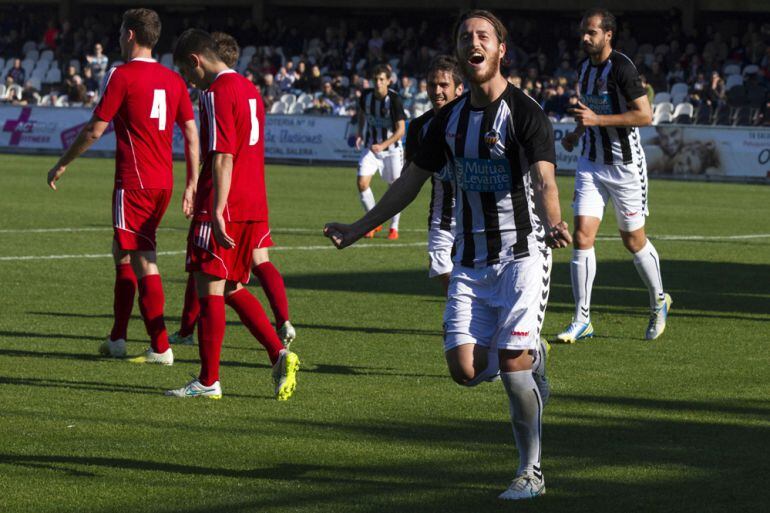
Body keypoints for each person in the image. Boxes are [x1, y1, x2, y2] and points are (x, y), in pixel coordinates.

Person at [325, 10, 571, 500]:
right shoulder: (447, 123)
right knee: (463, 370)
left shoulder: (524, 112)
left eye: (483, 36)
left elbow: (544, 178)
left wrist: (552, 219)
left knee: (513, 367)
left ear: (501, 49)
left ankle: (531, 472)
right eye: (465, 37)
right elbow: (406, 187)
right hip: (471, 261)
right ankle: (532, 351)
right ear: (460, 54)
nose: (472, 42)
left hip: (524, 254)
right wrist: (356, 229)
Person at [46, 8, 199, 364]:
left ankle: (160, 347)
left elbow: (95, 129)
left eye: (119, 33)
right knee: (123, 251)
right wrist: (191, 182)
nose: (117, 38)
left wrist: (62, 163)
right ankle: (117, 337)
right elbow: (191, 133)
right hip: (162, 181)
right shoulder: (174, 80)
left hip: (135, 182)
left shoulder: (122, 75)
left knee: (144, 259)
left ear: (130, 35)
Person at [167, 28, 300, 400]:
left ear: (195, 61)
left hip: (224, 202)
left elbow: (223, 155)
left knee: (208, 286)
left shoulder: (215, 93)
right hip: (253, 200)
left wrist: (217, 208)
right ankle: (279, 353)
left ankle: (208, 380)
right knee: (231, 286)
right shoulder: (250, 90)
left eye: (185, 72)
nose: (188, 81)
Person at [559, 8, 671, 343]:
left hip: (625, 167)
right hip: (591, 163)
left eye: (591, 32)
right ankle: (582, 319)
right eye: (583, 31)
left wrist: (597, 122)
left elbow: (645, 115)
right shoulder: (582, 68)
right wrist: (577, 133)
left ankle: (658, 300)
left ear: (609, 34)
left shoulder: (622, 68)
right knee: (582, 235)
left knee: (633, 240)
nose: (585, 38)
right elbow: (590, 113)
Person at [404, 55, 463, 294]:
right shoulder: (420, 127)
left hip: (478, 211)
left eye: (443, 85)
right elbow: (409, 175)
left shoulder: (475, 120)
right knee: (440, 266)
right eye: (432, 85)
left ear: (459, 89)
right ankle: (461, 311)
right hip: (442, 211)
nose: (436, 91)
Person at [355, 63, 406, 240]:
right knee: (362, 183)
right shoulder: (366, 96)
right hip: (371, 147)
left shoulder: (394, 100)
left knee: (395, 189)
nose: (378, 83)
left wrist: (384, 145)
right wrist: (359, 133)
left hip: (391, 150)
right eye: (375, 80)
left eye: (381, 80)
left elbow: (401, 130)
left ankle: (394, 227)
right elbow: (362, 113)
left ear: (388, 81)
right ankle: (374, 222)